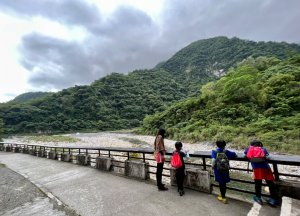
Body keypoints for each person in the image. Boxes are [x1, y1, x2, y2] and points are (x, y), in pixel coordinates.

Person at [244, 140, 278, 206]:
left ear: (251, 144)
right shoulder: (263, 149)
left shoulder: (248, 149)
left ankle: (258, 198)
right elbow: (267, 156)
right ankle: (273, 200)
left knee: (258, 184)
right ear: (260, 144)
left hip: (256, 169)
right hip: (266, 168)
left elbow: (245, 154)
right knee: (270, 183)